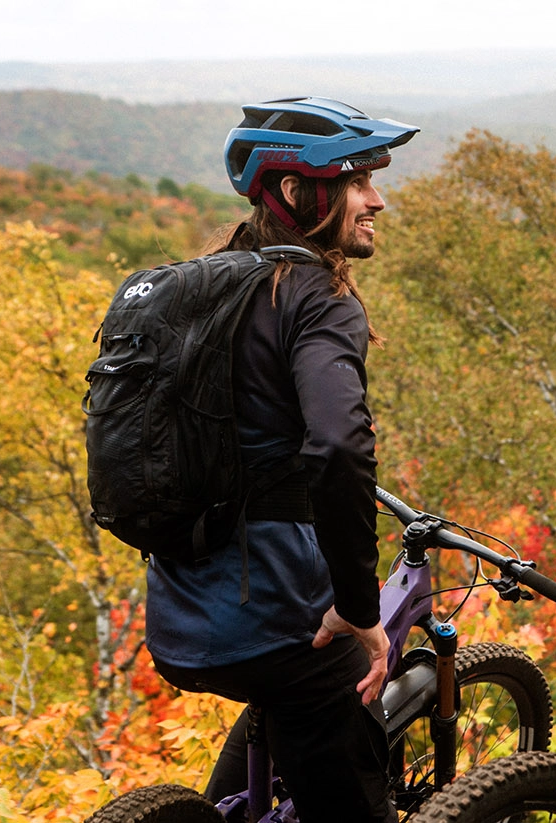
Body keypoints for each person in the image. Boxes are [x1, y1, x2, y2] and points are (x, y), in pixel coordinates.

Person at [143, 96, 418, 822]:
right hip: (270, 615)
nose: (377, 199)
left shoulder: (202, 288)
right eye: (356, 181)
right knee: (338, 679)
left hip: (180, 612)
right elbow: (339, 446)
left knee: (291, 696)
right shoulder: (318, 298)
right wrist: (360, 609)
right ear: (298, 193)